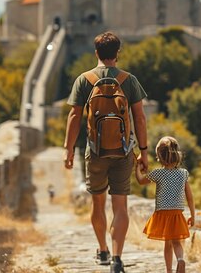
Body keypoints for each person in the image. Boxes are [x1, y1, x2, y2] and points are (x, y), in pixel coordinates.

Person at [63, 31, 149, 271]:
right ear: (117, 54)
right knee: (120, 206)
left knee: (98, 204)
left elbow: (74, 116)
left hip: (96, 152)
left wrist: (68, 149)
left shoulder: (84, 79)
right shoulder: (128, 80)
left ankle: (102, 249)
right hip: (123, 152)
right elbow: (140, 118)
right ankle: (117, 258)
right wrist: (143, 151)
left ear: (96, 53)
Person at [134, 136, 195, 273]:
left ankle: (169, 271)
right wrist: (192, 215)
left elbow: (140, 181)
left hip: (163, 213)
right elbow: (190, 197)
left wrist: (138, 168)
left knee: (168, 244)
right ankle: (180, 259)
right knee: (176, 242)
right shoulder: (183, 173)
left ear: (159, 156)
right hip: (177, 214)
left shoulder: (158, 173)